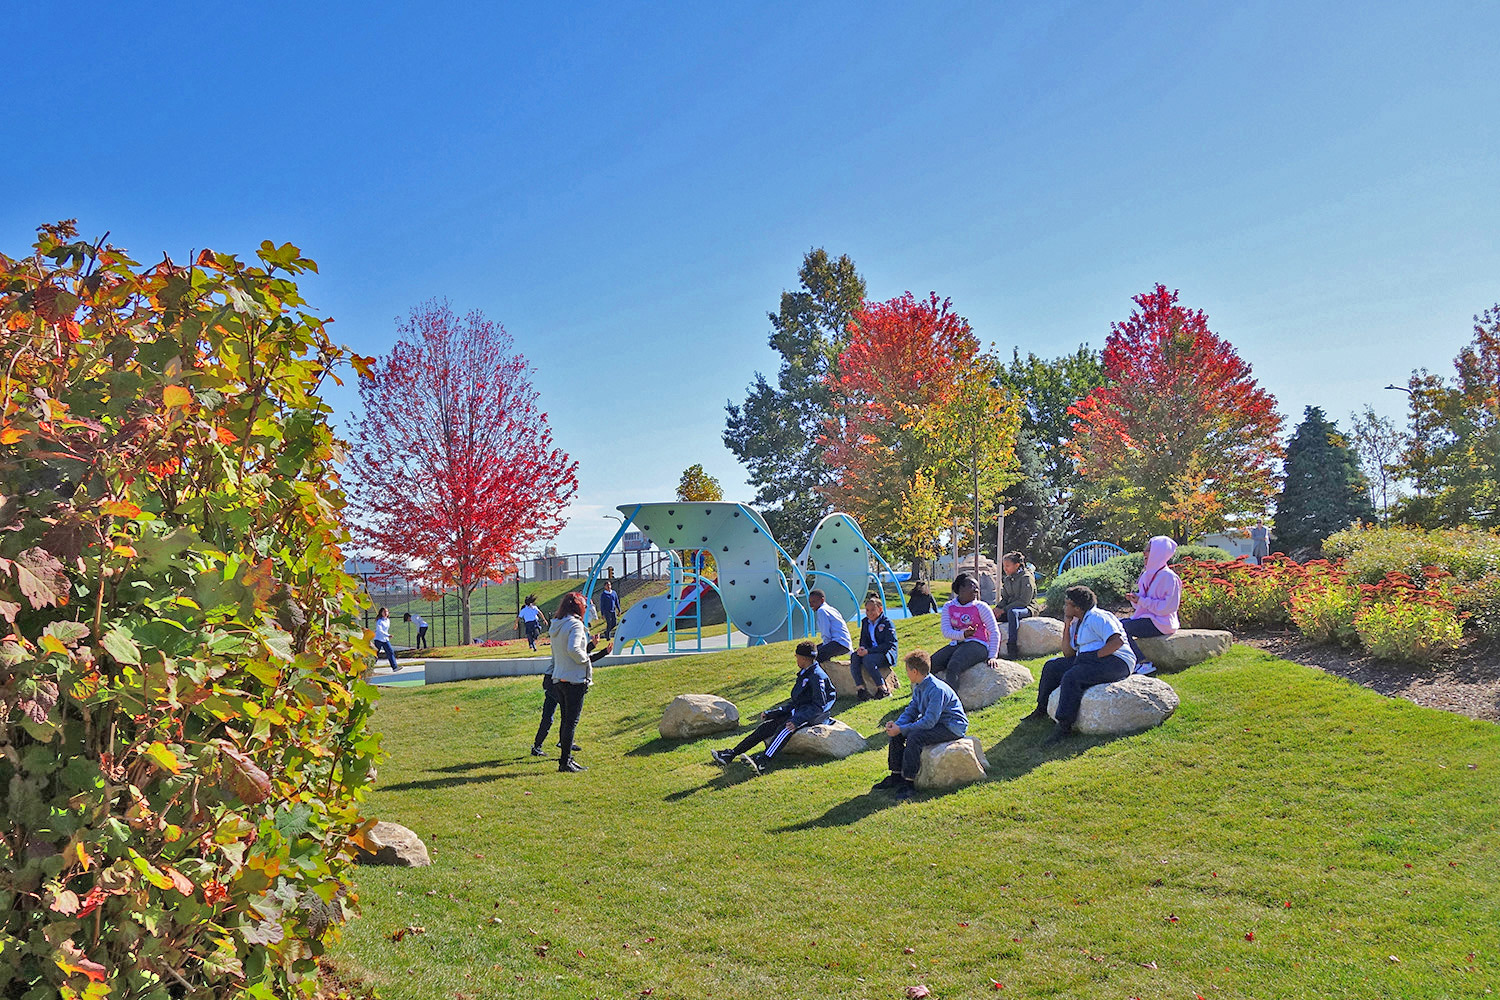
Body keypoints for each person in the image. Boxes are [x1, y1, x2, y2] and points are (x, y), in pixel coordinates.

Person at [1025, 585, 1135, 745]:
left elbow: (1116, 642)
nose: (1064, 607)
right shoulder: (1078, 622)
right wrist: (1067, 626)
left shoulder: (1098, 617)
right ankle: (1042, 708)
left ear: (1077, 607)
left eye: (1067, 604)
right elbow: (1069, 654)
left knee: (1073, 676)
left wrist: (1092, 657)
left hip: (1116, 661)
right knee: (1052, 666)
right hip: (1090, 658)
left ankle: (1064, 726)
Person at [709, 641, 837, 772]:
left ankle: (764, 760)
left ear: (804, 658)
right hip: (801, 711)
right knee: (766, 727)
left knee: (786, 728)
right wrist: (773, 713)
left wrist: (796, 721)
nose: (796, 659)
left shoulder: (816, 676)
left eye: (797, 656)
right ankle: (731, 754)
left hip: (815, 715)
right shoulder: (805, 673)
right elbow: (797, 702)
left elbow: (819, 705)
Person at [874, 650, 969, 799]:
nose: (906, 674)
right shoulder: (918, 685)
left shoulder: (936, 690)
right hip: (936, 723)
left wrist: (903, 729)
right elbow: (912, 709)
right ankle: (896, 774)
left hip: (951, 726)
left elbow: (929, 722)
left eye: (907, 671)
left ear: (915, 671)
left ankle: (909, 782)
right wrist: (898, 726)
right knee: (898, 734)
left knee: (915, 736)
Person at [547, 592, 609, 772]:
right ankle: (565, 762)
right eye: (584, 605)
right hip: (574, 679)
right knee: (571, 722)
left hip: (559, 678)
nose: (586, 608)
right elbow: (574, 649)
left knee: (566, 721)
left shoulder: (557, 625)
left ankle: (566, 759)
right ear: (578, 607)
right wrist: (586, 660)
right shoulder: (575, 624)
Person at [1121, 536, 1182, 675]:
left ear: (1159, 552)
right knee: (1114, 624)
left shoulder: (1169, 577)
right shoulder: (1147, 574)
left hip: (1162, 623)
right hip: (1148, 618)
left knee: (1122, 627)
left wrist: (1142, 601)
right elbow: (1142, 605)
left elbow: (1168, 607)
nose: (1144, 553)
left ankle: (1142, 663)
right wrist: (1136, 599)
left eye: (1149, 549)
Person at [931, 573, 1000, 693]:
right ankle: (924, 698)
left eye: (977, 586)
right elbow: (946, 631)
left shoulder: (981, 607)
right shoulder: (949, 607)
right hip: (957, 643)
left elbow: (994, 631)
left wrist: (992, 656)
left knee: (954, 665)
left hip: (978, 645)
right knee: (930, 663)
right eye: (972, 585)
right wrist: (963, 635)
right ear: (960, 589)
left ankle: (951, 704)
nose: (976, 589)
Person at [850, 595, 898, 700]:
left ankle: (883, 689)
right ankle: (861, 689)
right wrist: (862, 648)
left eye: (873, 610)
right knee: (854, 656)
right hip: (871, 652)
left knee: (868, 659)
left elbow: (888, 645)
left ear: (880, 610)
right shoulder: (865, 622)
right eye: (867, 610)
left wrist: (868, 651)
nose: (869, 613)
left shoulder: (887, 623)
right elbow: (864, 639)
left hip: (885, 654)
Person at [998, 551, 1040, 660]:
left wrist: (1004, 610)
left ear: (1017, 565)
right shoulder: (1007, 579)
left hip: (1028, 608)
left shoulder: (1026, 577)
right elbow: (1006, 598)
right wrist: (998, 608)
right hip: (1011, 607)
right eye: (1004, 566)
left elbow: (1024, 601)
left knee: (1012, 613)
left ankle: (1012, 647)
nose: (1005, 569)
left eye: (1007, 566)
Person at [807, 589, 852, 666]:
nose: (811, 605)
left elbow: (826, 633)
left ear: (822, 600)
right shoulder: (831, 609)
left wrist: (824, 649)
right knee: (812, 651)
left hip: (839, 643)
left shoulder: (822, 611)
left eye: (814, 602)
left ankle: (820, 677)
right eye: (810, 602)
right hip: (844, 643)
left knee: (814, 656)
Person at [372, 607, 400, 671]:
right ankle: (370, 665)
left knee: (390, 652)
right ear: (381, 613)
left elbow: (386, 630)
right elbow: (380, 630)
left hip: (385, 640)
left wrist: (387, 636)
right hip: (378, 639)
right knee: (375, 654)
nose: (385, 613)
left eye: (386, 612)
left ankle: (394, 667)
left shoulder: (388, 620)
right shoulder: (379, 621)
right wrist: (388, 635)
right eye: (384, 612)